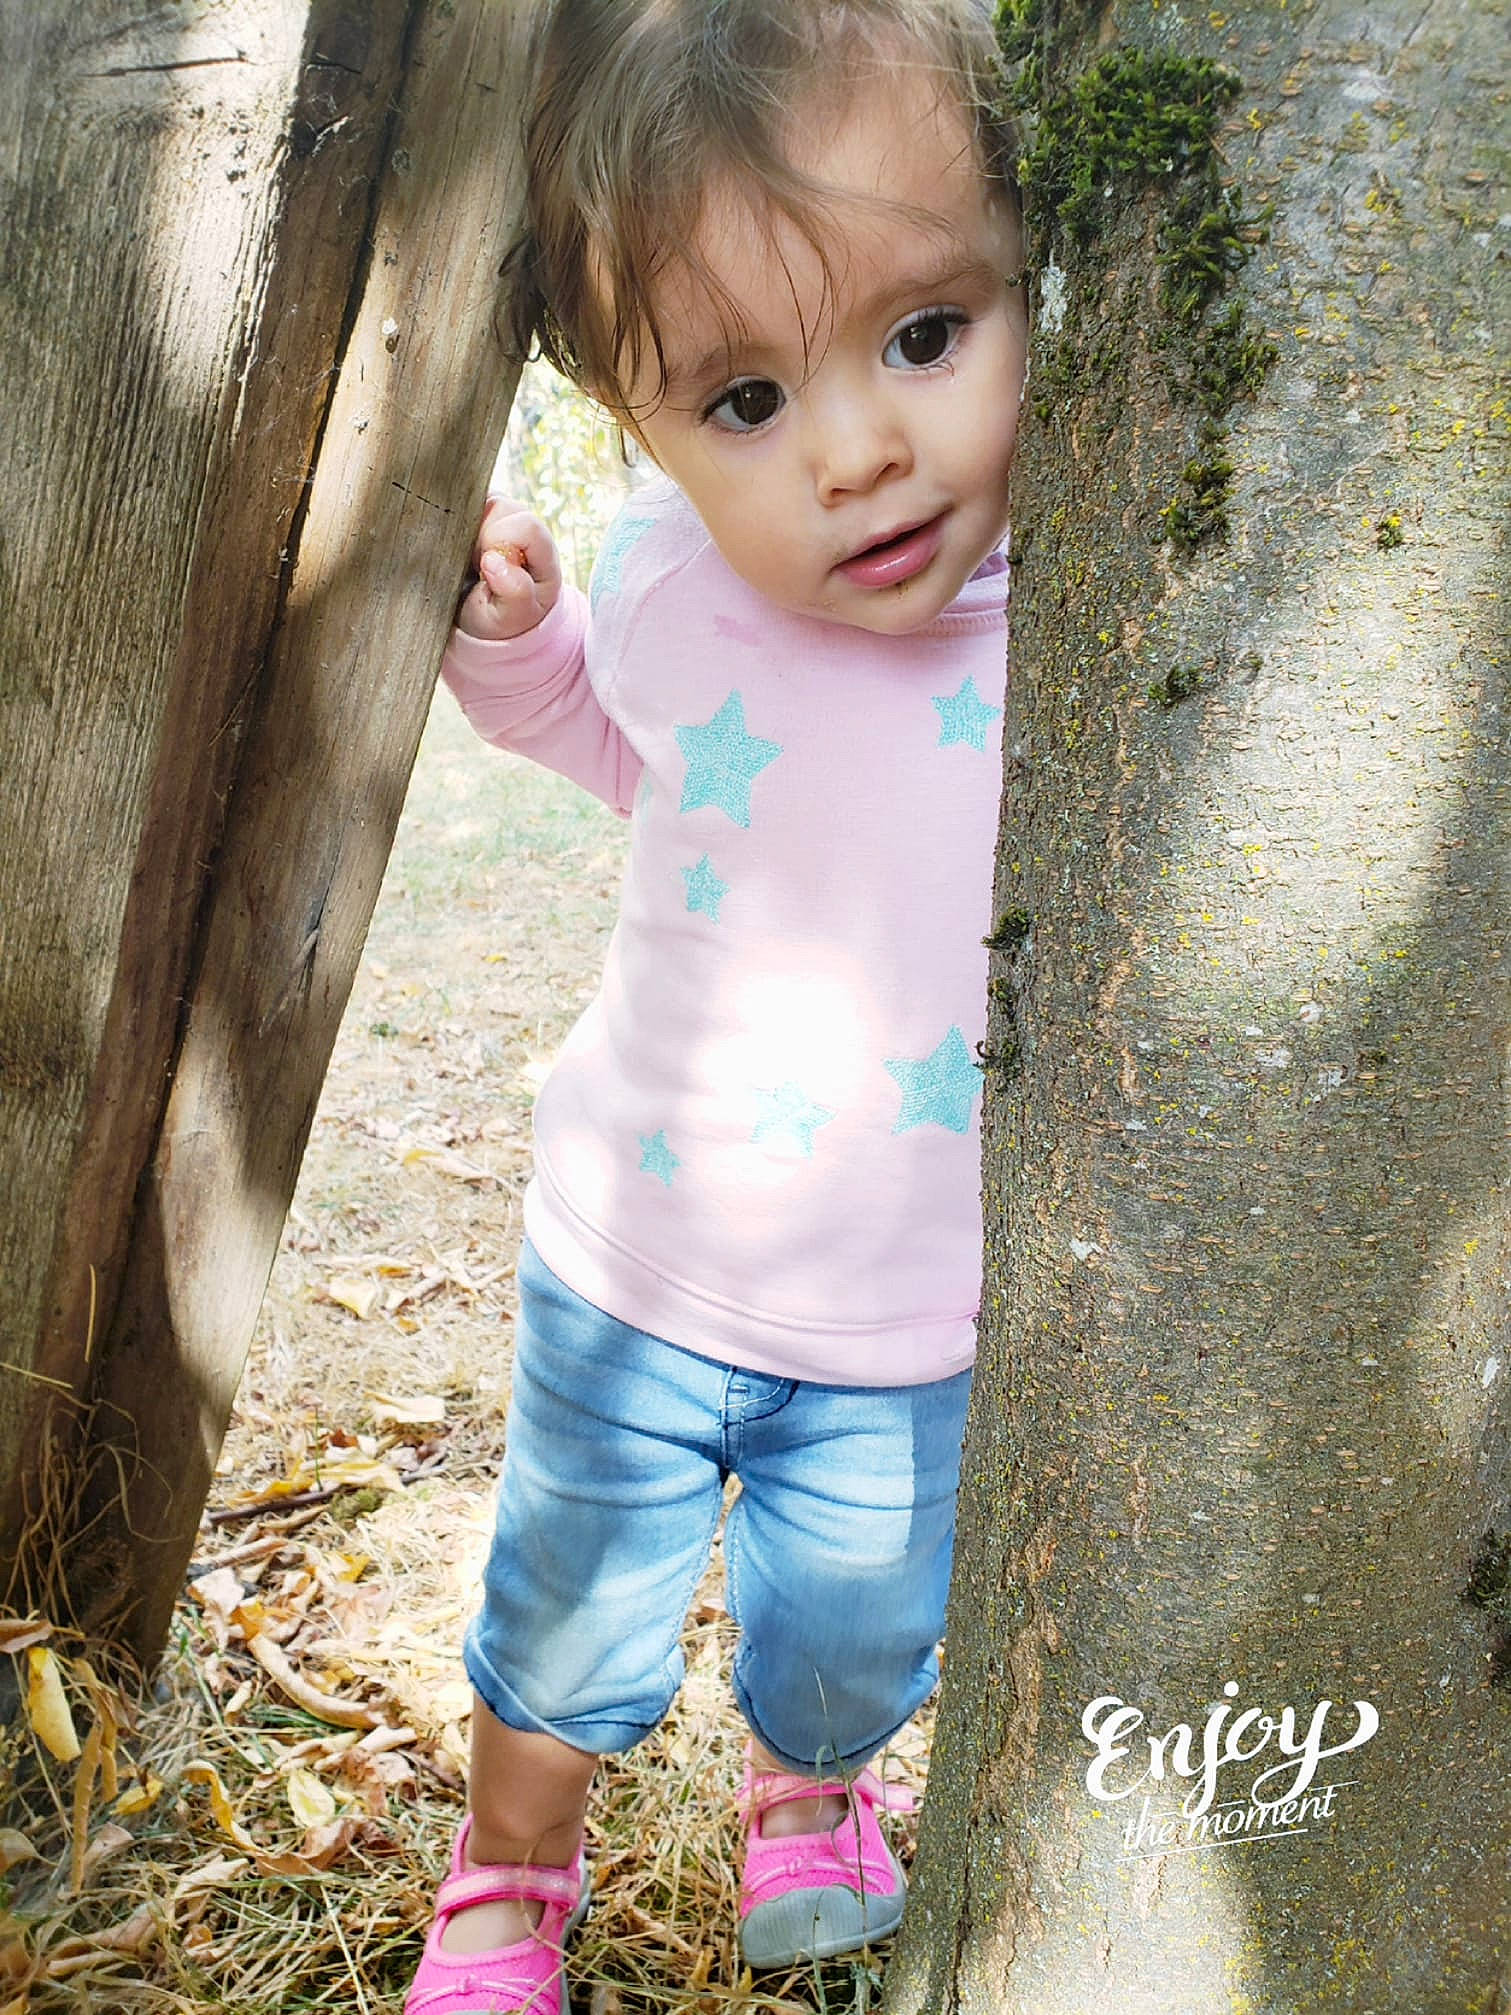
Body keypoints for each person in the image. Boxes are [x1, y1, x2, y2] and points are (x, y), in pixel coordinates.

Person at [405, 3, 1027, 2009]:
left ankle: (813, 1790)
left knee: (852, 1626)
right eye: (746, 400)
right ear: (641, 427)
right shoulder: (678, 591)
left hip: (907, 1303)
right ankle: (507, 1878)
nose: (856, 452)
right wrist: (520, 645)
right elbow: (607, 738)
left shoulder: (1100, 635)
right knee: (567, 1622)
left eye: (926, 337)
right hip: (638, 1262)